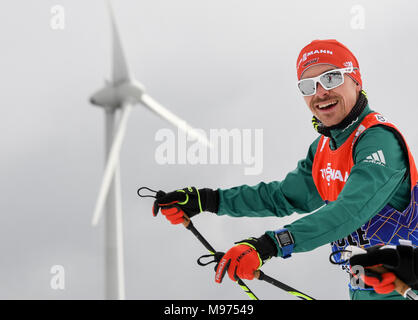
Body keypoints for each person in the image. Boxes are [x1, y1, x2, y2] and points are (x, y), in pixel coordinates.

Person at [152, 39, 418, 300]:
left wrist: (269, 245)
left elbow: (349, 211)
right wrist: (207, 199)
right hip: (364, 290)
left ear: (356, 80)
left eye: (331, 78)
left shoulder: (378, 139)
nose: (320, 92)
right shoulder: (325, 148)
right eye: (308, 85)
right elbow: (281, 197)